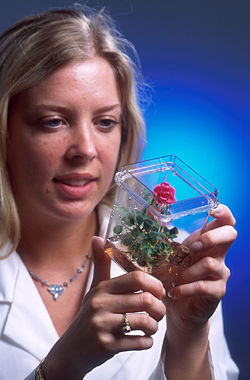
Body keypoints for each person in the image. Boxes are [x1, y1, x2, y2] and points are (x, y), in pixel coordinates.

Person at [0, 6, 239, 380]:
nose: (86, 149)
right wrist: (63, 366)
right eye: (53, 121)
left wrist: (188, 333)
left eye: (105, 122)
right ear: (5, 131)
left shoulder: (178, 261)